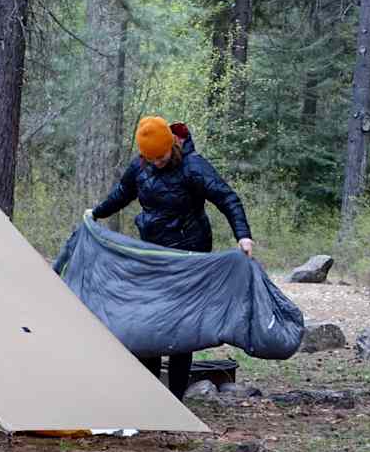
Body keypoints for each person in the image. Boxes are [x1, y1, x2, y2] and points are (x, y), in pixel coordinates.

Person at [91, 116, 254, 399]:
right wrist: (96, 213)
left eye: (161, 156)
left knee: (180, 325)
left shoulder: (194, 167)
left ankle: (176, 396)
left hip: (188, 256)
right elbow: (122, 193)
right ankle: (150, 393)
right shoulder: (141, 166)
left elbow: (227, 198)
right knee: (149, 320)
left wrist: (243, 234)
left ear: (172, 146)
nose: (156, 162)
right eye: (149, 157)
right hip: (153, 256)